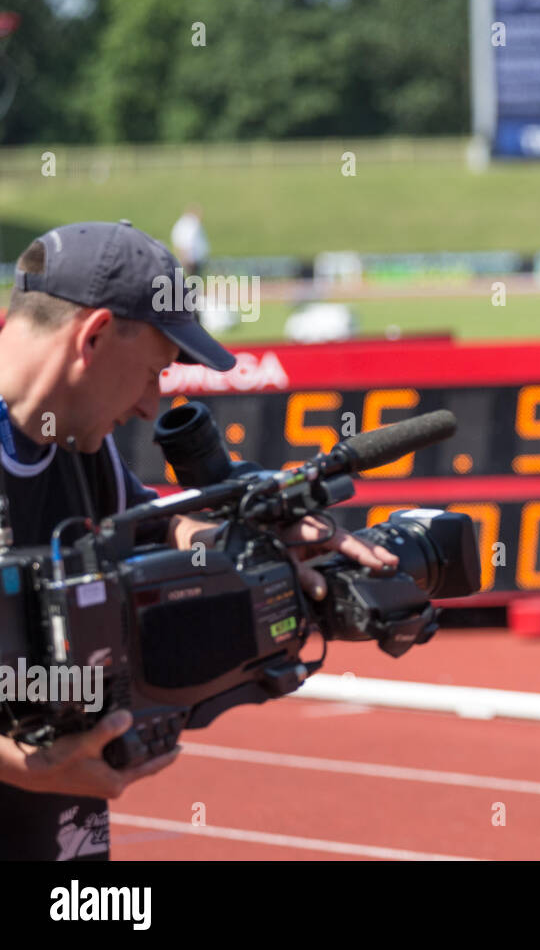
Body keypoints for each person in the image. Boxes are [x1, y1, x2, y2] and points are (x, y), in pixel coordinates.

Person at [0, 220, 398, 860]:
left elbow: (160, 525)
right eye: (154, 371)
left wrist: (264, 545)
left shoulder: (79, 448)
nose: (150, 406)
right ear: (94, 335)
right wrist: (30, 766)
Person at [170, 204, 209, 279]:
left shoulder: (184, 224)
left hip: (191, 258)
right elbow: (186, 242)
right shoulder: (190, 224)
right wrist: (185, 257)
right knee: (192, 280)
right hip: (191, 259)